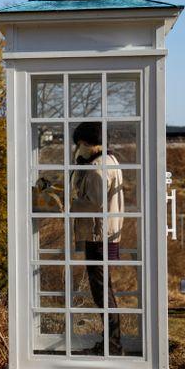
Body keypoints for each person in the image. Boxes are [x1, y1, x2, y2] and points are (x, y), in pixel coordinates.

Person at [70, 122, 124, 354]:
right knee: (105, 290)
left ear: (85, 142)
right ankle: (111, 342)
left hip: (98, 236)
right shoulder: (111, 160)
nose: (78, 148)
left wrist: (67, 205)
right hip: (109, 234)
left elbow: (92, 202)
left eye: (80, 143)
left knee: (102, 292)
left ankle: (112, 344)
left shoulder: (97, 168)